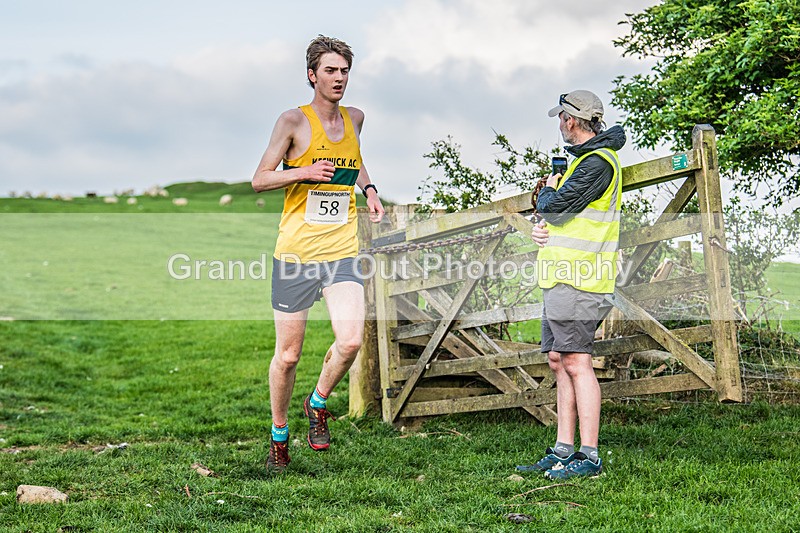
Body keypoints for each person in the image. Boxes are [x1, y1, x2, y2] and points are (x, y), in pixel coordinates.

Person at [252, 35, 385, 473]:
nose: (339, 78)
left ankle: (317, 402)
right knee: (288, 355)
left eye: (344, 71)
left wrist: (369, 189)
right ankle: (278, 436)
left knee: (350, 340)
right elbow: (259, 179)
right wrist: (304, 172)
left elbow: (355, 157)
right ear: (312, 75)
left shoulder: (355, 118)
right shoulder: (293, 120)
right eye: (330, 70)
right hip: (295, 253)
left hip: (341, 249)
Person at [516, 90, 625, 479]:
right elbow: (560, 219)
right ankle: (564, 449)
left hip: (581, 278)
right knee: (559, 360)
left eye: (561, 117)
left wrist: (547, 191)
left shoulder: (597, 163)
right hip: (562, 275)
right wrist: (542, 229)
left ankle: (590, 457)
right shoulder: (582, 163)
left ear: (572, 121)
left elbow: (558, 209)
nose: (559, 124)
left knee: (577, 362)